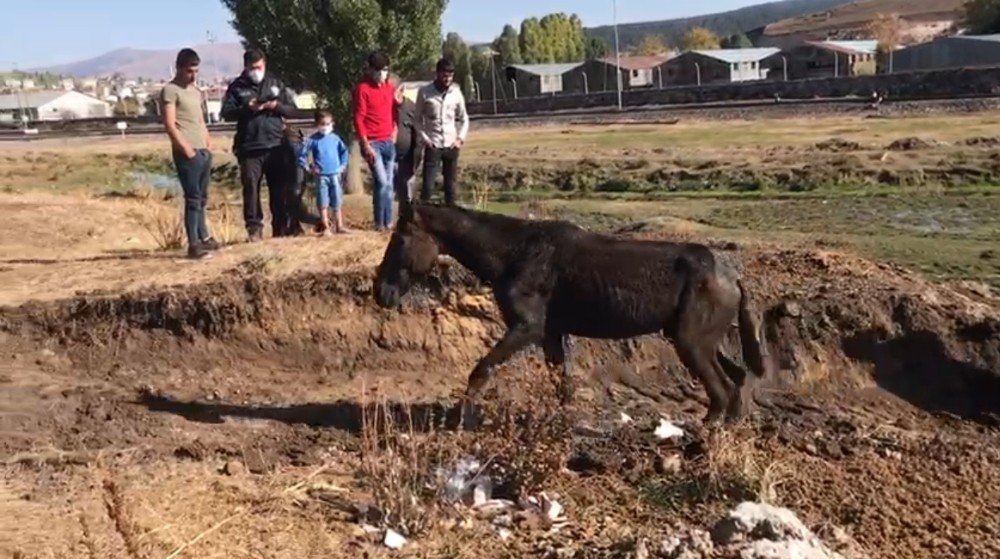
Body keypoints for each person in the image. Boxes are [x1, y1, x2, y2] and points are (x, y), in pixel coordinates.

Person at [221, 48, 297, 242]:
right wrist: (247, 107)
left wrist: (276, 106)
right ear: (246, 67)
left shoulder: (275, 83)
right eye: (252, 68)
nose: (256, 71)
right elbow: (227, 113)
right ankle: (254, 228)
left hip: (275, 146)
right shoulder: (237, 87)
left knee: (279, 189)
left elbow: (291, 109)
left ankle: (280, 227)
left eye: (259, 67)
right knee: (251, 188)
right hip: (249, 148)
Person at [160, 48, 220, 260]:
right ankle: (193, 244)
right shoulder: (170, 91)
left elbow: (200, 120)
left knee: (202, 198)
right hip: (188, 153)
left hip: (203, 151)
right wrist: (186, 149)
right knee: (193, 198)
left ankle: (204, 237)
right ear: (179, 68)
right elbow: (169, 124)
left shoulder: (195, 91)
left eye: (196, 71)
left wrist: (207, 142)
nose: (193, 76)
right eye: (189, 71)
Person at [353, 52, 398, 231]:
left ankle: (386, 221)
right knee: (383, 182)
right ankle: (381, 223)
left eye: (385, 70)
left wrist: (394, 130)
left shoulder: (389, 88)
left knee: (388, 184)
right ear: (370, 70)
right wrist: (365, 144)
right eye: (378, 70)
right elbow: (358, 118)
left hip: (388, 141)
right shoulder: (362, 89)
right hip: (373, 143)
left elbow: (393, 112)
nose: (382, 74)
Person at [415, 58, 469, 206]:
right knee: (428, 186)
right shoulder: (425, 92)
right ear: (437, 74)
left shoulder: (456, 93)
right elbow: (417, 119)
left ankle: (450, 218)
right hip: (433, 144)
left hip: (451, 145)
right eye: (445, 75)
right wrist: (425, 138)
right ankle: (421, 218)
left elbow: (464, 119)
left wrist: (460, 139)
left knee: (450, 186)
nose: (448, 79)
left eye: (451, 76)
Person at [298, 110, 351, 236]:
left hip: (335, 174)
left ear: (332, 123)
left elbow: (344, 152)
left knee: (337, 200)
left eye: (328, 123)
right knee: (323, 202)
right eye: (323, 123)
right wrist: (309, 167)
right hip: (321, 176)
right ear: (317, 124)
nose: (325, 126)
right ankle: (326, 227)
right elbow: (301, 155)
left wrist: (342, 166)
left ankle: (340, 225)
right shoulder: (313, 140)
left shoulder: (335, 138)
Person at [391, 75, 419, 204]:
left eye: (393, 91)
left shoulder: (412, 108)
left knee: (407, 188)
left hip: (407, 156)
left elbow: (418, 132)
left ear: (401, 90)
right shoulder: (386, 107)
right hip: (390, 155)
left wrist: (416, 155)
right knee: (390, 188)